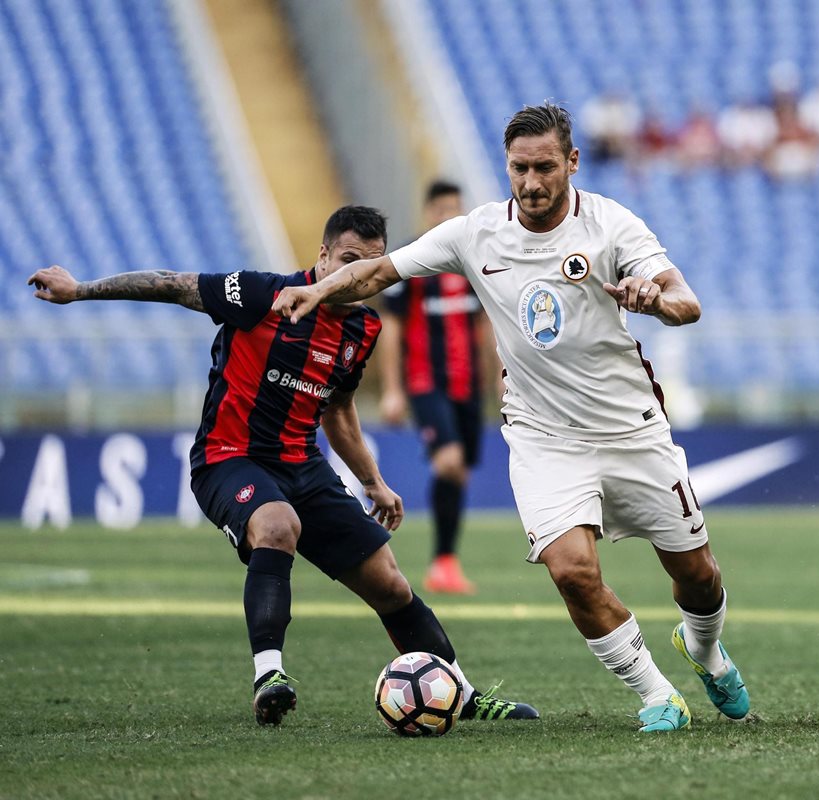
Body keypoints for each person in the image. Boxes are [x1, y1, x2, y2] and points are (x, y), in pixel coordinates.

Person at [271, 104, 750, 733]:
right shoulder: (475, 233)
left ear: (571, 162)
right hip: (542, 435)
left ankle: (705, 649)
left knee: (697, 573)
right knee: (572, 571)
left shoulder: (611, 225)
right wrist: (316, 289)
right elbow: (379, 270)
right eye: (519, 168)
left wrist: (655, 300)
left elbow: (686, 301)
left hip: (630, 428)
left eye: (544, 167)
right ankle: (656, 694)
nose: (530, 183)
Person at [27, 206, 537, 727]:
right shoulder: (261, 295)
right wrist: (82, 289)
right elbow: (170, 284)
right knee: (277, 524)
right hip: (229, 457)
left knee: (390, 583)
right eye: (346, 260)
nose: (352, 276)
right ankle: (269, 674)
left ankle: (464, 696)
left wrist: (373, 483)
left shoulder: (362, 328)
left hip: (303, 467)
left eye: (369, 265)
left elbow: (337, 410)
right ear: (322, 255)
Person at [378, 181, 494, 594]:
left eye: (455, 209)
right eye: (441, 208)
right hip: (425, 383)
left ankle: (445, 563)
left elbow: (485, 327)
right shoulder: (411, 263)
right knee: (448, 462)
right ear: (429, 212)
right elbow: (390, 328)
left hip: (469, 386)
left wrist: (500, 381)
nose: (448, 216)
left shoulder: (474, 262)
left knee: (459, 471)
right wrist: (392, 389)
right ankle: (440, 563)